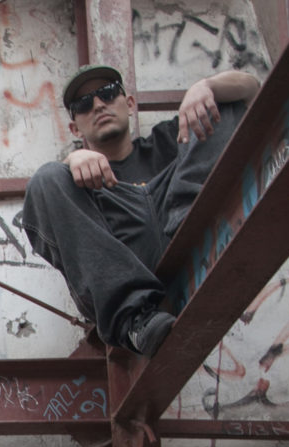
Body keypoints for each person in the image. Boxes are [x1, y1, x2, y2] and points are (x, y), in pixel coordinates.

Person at [21, 64, 261, 356]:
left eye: (108, 93)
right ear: (75, 129)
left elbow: (251, 88)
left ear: (130, 104)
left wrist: (206, 86)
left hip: (187, 224)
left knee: (218, 104)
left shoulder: (173, 138)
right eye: (83, 104)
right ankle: (132, 318)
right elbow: (54, 193)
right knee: (45, 178)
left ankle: (190, 224)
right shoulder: (76, 184)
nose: (98, 105)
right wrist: (72, 160)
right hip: (126, 263)